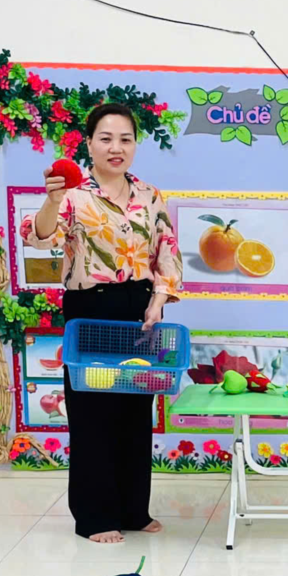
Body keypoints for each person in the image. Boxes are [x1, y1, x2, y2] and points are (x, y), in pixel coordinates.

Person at [31, 102, 180, 544]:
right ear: (90, 144)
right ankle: (94, 517)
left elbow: (167, 252)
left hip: (140, 310)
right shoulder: (73, 196)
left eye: (125, 139)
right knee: (93, 413)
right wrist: (52, 201)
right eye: (106, 139)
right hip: (90, 308)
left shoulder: (150, 195)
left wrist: (158, 301)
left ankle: (133, 510)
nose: (117, 147)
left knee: (135, 411)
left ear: (135, 144)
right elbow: (41, 237)